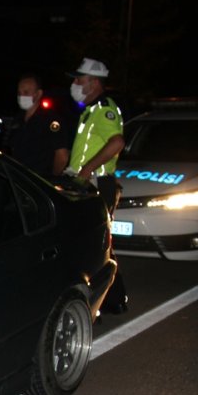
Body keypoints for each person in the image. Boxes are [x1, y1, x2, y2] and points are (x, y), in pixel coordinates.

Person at [65, 57, 128, 314]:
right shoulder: (90, 109)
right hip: (87, 183)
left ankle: (112, 299)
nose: (75, 83)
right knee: (94, 242)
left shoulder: (103, 110)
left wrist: (87, 169)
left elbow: (117, 142)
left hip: (96, 184)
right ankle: (111, 300)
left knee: (99, 243)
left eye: (79, 78)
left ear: (94, 82)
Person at [8, 73, 70, 177]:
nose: (21, 96)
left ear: (38, 94)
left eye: (26, 92)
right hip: (18, 178)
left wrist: (51, 179)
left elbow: (62, 156)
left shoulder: (50, 120)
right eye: (19, 93)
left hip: (38, 181)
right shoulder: (18, 119)